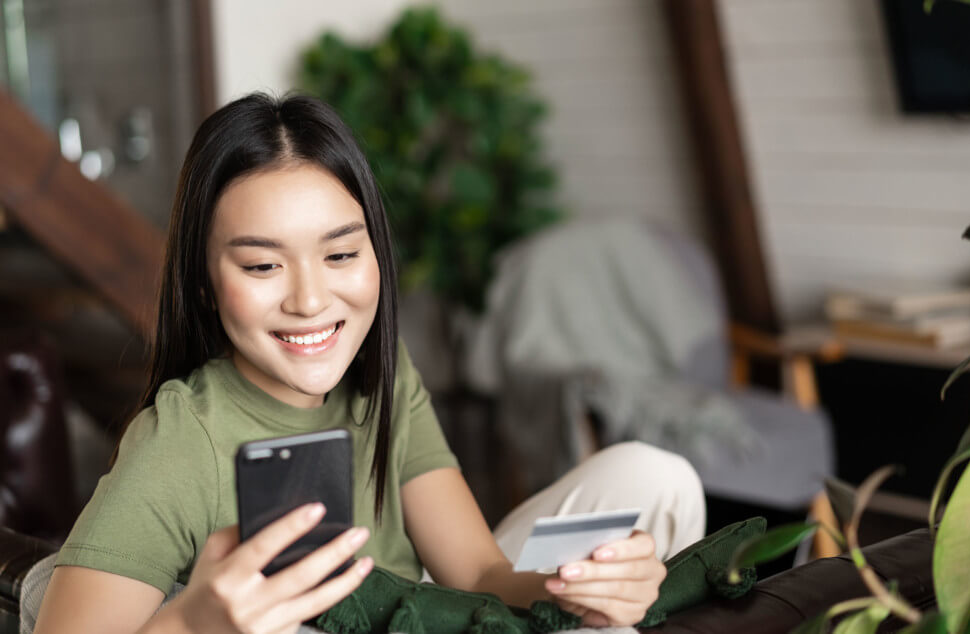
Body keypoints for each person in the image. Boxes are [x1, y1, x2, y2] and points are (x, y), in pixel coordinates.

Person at [31, 93, 705, 634]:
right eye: (263, 264)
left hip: (429, 614)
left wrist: (585, 592)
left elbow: (478, 577)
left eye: (342, 255)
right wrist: (195, 622)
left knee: (658, 476)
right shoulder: (181, 440)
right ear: (206, 285)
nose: (311, 300)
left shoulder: (381, 373)